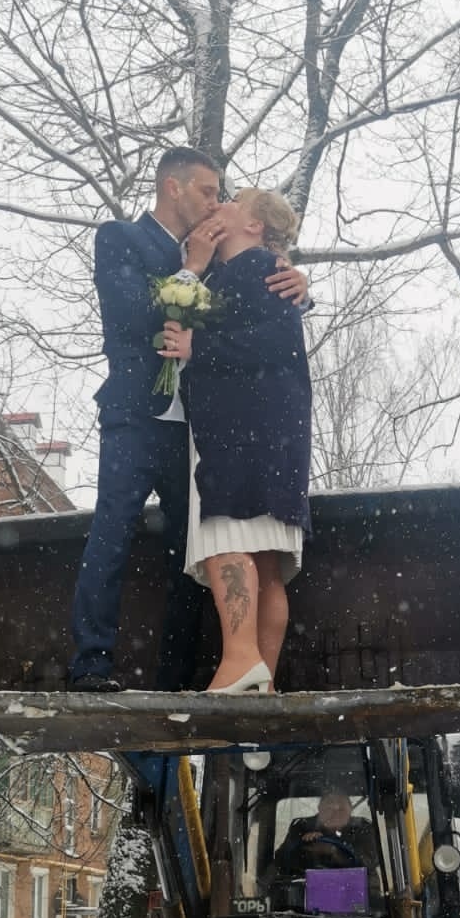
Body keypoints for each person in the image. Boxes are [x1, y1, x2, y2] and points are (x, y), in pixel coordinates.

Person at [69, 149, 306, 692]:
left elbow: (252, 306)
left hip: (196, 431)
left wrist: (295, 281)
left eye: (222, 194)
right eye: (207, 191)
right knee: (112, 530)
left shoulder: (226, 257)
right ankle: (91, 663)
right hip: (136, 415)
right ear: (172, 188)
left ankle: (176, 676)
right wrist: (191, 267)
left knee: (189, 553)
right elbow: (129, 312)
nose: (216, 202)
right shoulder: (121, 239)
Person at [160, 189, 312, 693]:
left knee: (226, 539)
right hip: (273, 434)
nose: (219, 205)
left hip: (237, 433)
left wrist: (197, 345)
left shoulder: (253, 269)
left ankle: (242, 660)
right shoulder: (261, 271)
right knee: (266, 561)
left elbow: (276, 342)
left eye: (233, 202)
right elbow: (281, 334)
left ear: (253, 226)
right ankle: (260, 686)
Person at [273, 791, 378, 877]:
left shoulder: (362, 828)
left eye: (341, 809)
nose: (335, 812)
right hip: (304, 891)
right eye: (329, 808)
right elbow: (281, 862)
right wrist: (304, 845)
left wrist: (334, 851)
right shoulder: (301, 827)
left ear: (350, 810)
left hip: (358, 891)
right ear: (320, 808)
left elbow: (369, 864)